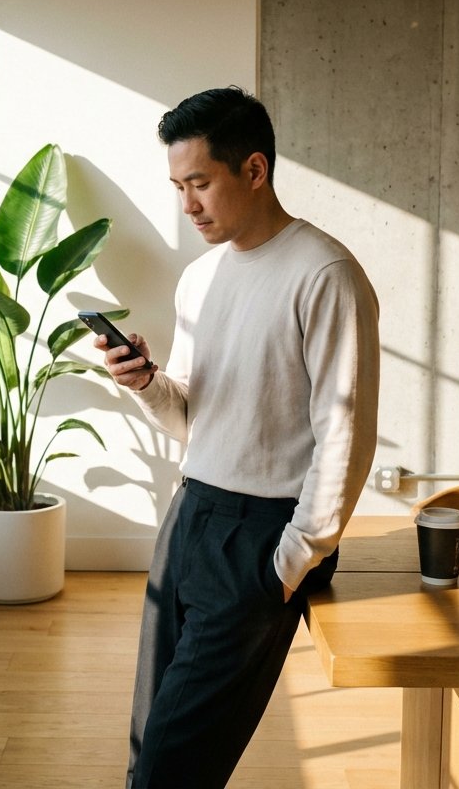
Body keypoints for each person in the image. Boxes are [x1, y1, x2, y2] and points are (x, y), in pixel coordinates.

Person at [94, 86, 380, 789]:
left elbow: (345, 434)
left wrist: (290, 561)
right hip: (190, 516)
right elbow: (192, 417)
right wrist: (145, 384)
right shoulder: (199, 279)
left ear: (254, 171)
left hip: (260, 536)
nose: (186, 205)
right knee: (151, 745)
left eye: (200, 183)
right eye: (177, 185)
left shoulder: (326, 274)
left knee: (174, 766)